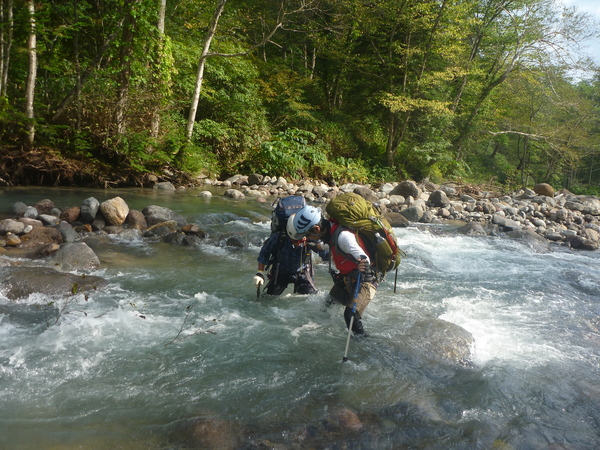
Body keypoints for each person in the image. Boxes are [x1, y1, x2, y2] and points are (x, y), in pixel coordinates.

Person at [287, 205, 377, 335]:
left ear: (317, 229)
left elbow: (364, 258)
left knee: (350, 316)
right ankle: (321, 331)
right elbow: (326, 245)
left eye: (307, 235)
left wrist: (362, 263)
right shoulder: (330, 232)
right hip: (346, 279)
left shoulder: (343, 237)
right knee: (328, 304)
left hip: (365, 280)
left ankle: (367, 345)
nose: (307, 238)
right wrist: (315, 246)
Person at [254, 217, 328, 296]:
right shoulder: (278, 237)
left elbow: (323, 252)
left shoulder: (310, 236)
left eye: (300, 241)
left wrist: (332, 255)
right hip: (281, 272)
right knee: (268, 299)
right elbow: (264, 253)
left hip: (303, 272)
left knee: (312, 297)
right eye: (295, 241)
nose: (298, 244)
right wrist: (260, 273)